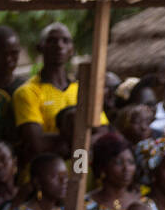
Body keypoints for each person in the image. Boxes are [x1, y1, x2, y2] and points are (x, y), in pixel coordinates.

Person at [13, 23, 106, 162]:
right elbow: (37, 143)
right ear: (40, 48)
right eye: (52, 40)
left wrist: (64, 141)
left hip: (81, 166)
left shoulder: (85, 91)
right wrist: (81, 140)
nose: (59, 45)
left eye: (65, 41)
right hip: (45, 173)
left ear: (72, 49)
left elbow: (103, 131)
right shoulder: (27, 92)